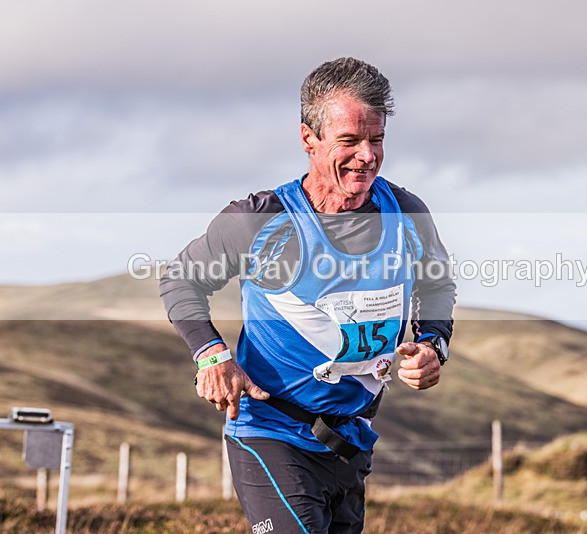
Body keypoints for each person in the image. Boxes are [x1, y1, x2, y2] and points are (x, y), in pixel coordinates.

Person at [160, 57, 455, 534]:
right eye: (350, 141)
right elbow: (180, 279)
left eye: (376, 140)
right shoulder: (259, 220)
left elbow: (437, 284)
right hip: (270, 433)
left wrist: (433, 345)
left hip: (351, 439)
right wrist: (211, 355)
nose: (367, 156)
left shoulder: (406, 213)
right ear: (308, 139)